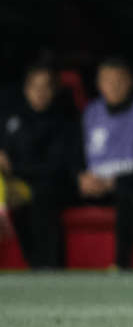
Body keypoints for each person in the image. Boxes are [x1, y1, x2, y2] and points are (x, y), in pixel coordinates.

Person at [74, 57, 133, 271]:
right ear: (98, 84)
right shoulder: (90, 112)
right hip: (94, 185)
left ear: (130, 81)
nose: (113, 86)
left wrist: (114, 182)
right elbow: (75, 155)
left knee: (127, 193)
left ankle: (121, 266)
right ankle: (45, 268)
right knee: (47, 193)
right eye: (107, 80)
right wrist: (80, 177)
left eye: (118, 80)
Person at [0, 63, 78, 269]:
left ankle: (46, 269)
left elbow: (55, 168)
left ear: (55, 90)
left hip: (50, 185)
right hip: (14, 185)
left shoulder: (64, 121)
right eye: (35, 87)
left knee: (42, 200)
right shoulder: (12, 116)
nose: (40, 93)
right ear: (26, 88)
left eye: (46, 87)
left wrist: (13, 168)